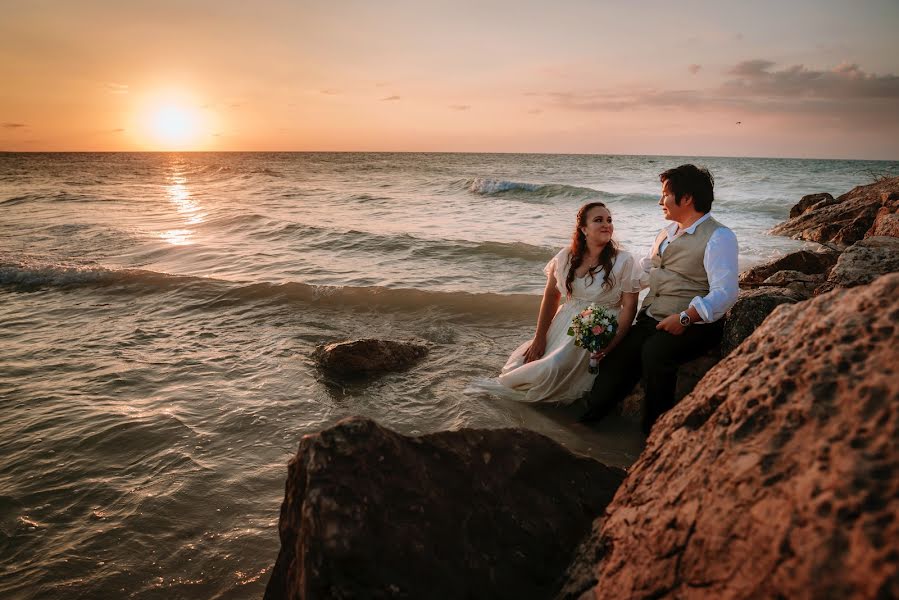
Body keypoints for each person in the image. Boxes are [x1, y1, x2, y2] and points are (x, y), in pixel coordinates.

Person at [580, 164, 739, 434]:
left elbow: (725, 292)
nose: (660, 200)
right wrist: (599, 283)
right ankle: (588, 422)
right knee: (619, 355)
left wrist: (686, 317)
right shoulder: (666, 233)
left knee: (655, 353)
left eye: (665, 194)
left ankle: (654, 435)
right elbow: (647, 271)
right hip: (653, 315)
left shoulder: (719, 236)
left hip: (697, 324)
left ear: (686, 198)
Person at [478, 202, 641, 404]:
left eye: (609, 220)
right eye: (598, 220)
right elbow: (551, 296)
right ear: (583, 229)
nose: (607, 224)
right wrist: (539, 338)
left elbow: (629, 308)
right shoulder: (566, 256)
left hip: (598, 325)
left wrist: (610, 345)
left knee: (552, 367)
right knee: (523, 363)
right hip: (565, 321)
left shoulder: (624, 261)